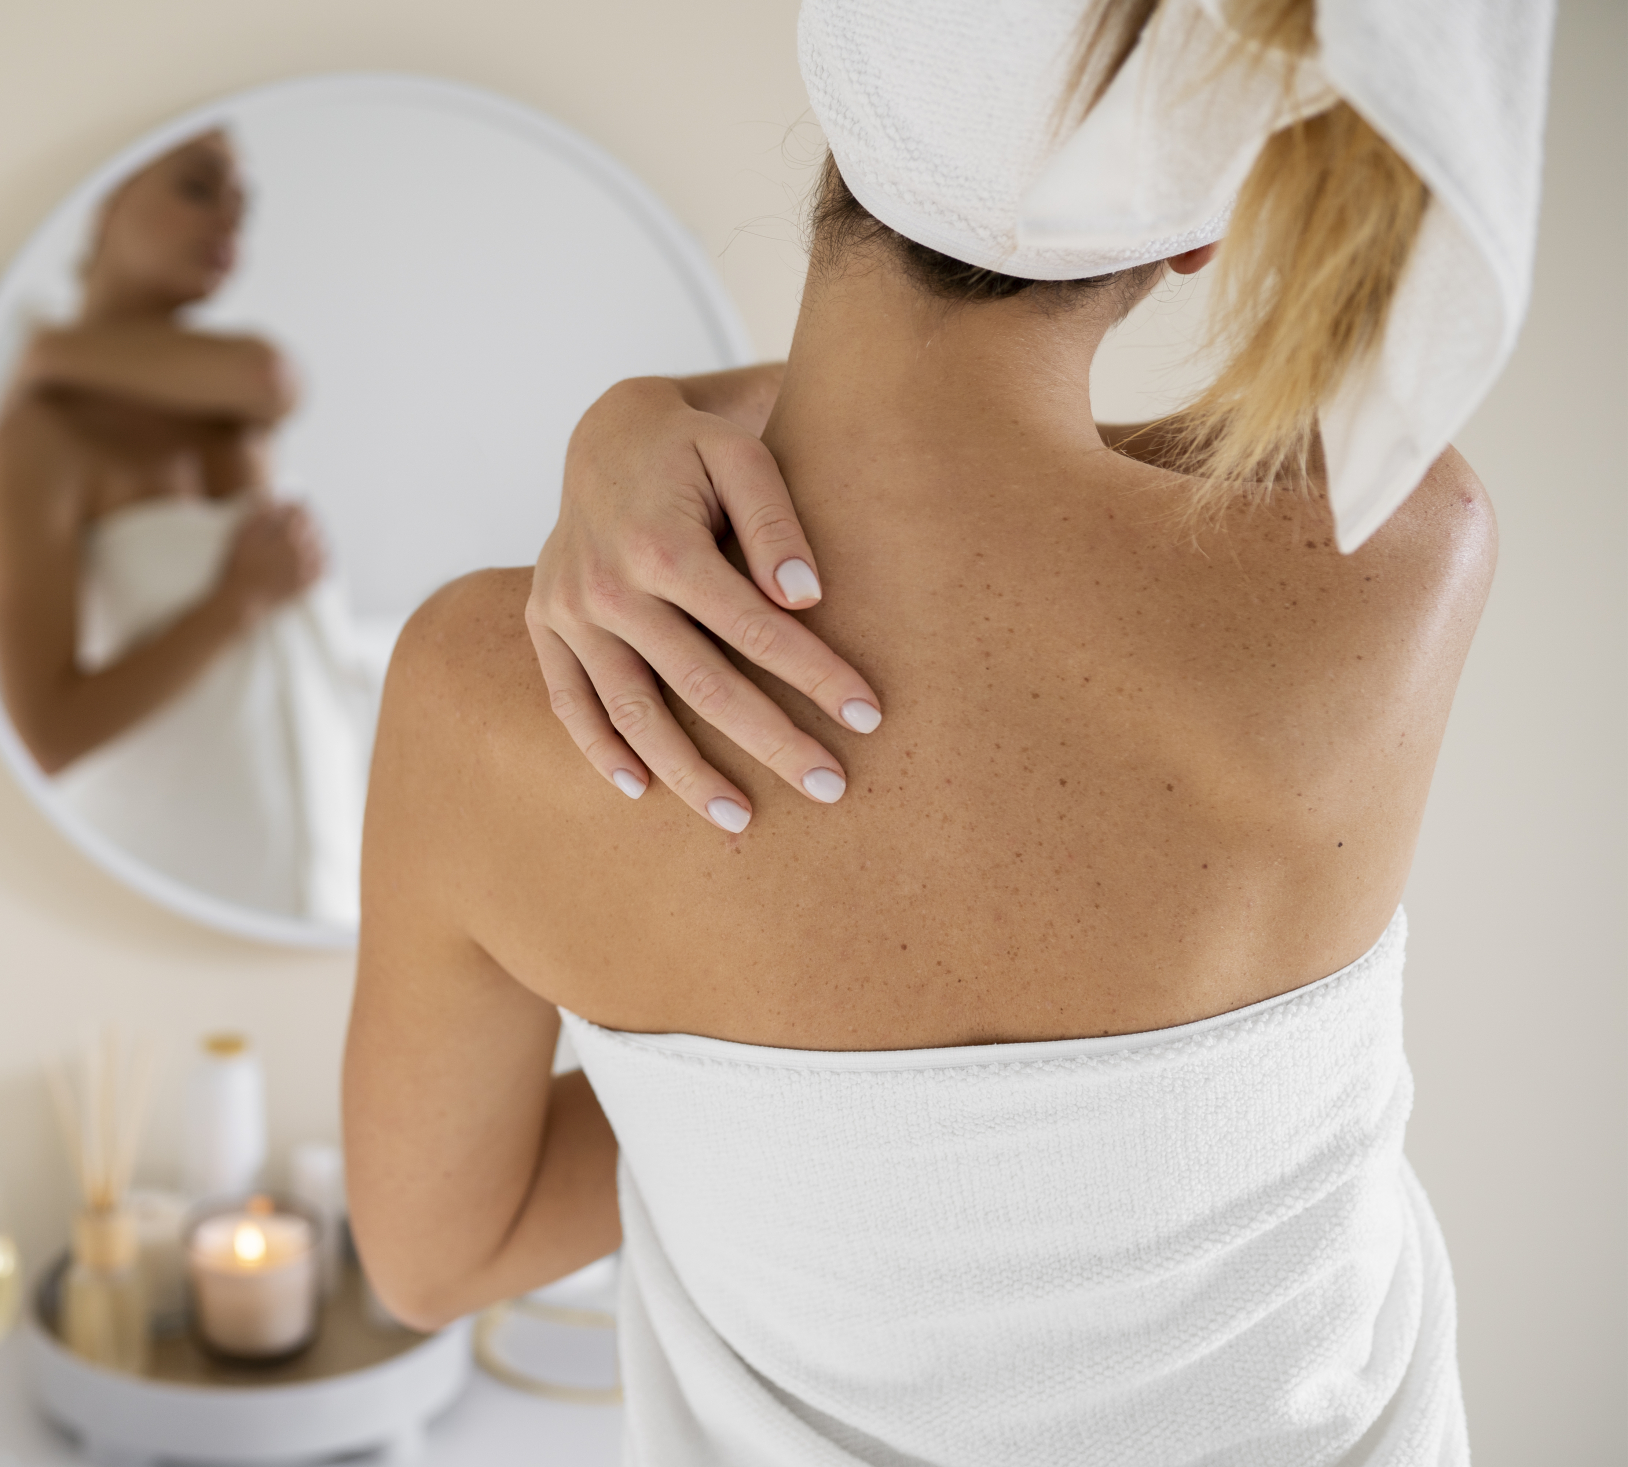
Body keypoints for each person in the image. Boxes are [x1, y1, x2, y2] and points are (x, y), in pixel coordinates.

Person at [345, 0, 1547, 1460]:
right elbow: (1080, 480)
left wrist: (632, 416)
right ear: (1196, 230)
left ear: (839, 99)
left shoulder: (482, 700)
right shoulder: (1392, 551)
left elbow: (433, 1257)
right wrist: (662, 414)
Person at [0, 130, 374, 923]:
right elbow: (45, 734)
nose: (232, 221)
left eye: (245, 204)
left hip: (321, 863)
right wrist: (234, 603)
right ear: (102, 193)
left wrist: (45, 346)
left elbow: (270, 375)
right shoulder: (42, 433)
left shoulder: (230, 396)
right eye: (200, 187)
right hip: (172, 866)